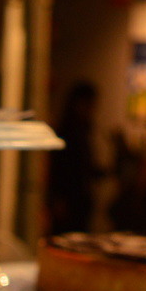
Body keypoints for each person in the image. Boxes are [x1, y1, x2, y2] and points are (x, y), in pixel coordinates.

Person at [47, 81, 106, 236]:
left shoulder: (84, 130)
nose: (92, 109)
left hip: (81, 198)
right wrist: (57, 198)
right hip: (69, 199)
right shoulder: (67, 131)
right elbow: (60, 166)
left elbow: (84, 165)